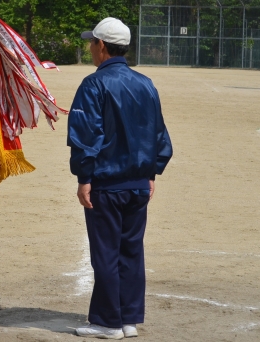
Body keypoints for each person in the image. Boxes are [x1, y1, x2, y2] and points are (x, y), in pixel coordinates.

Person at [68, 18, 173, 339]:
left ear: (101, 46)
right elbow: (158, 134)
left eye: (92, 42)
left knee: (106, 252)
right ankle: (128, 319)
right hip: (138, 183)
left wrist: (84, 177)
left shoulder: (93, 84)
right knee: (131, 251)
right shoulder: (146, 83)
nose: (90, 48)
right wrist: (151, 173)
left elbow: (86, 135)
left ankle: (107, 322)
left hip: (106, 183)